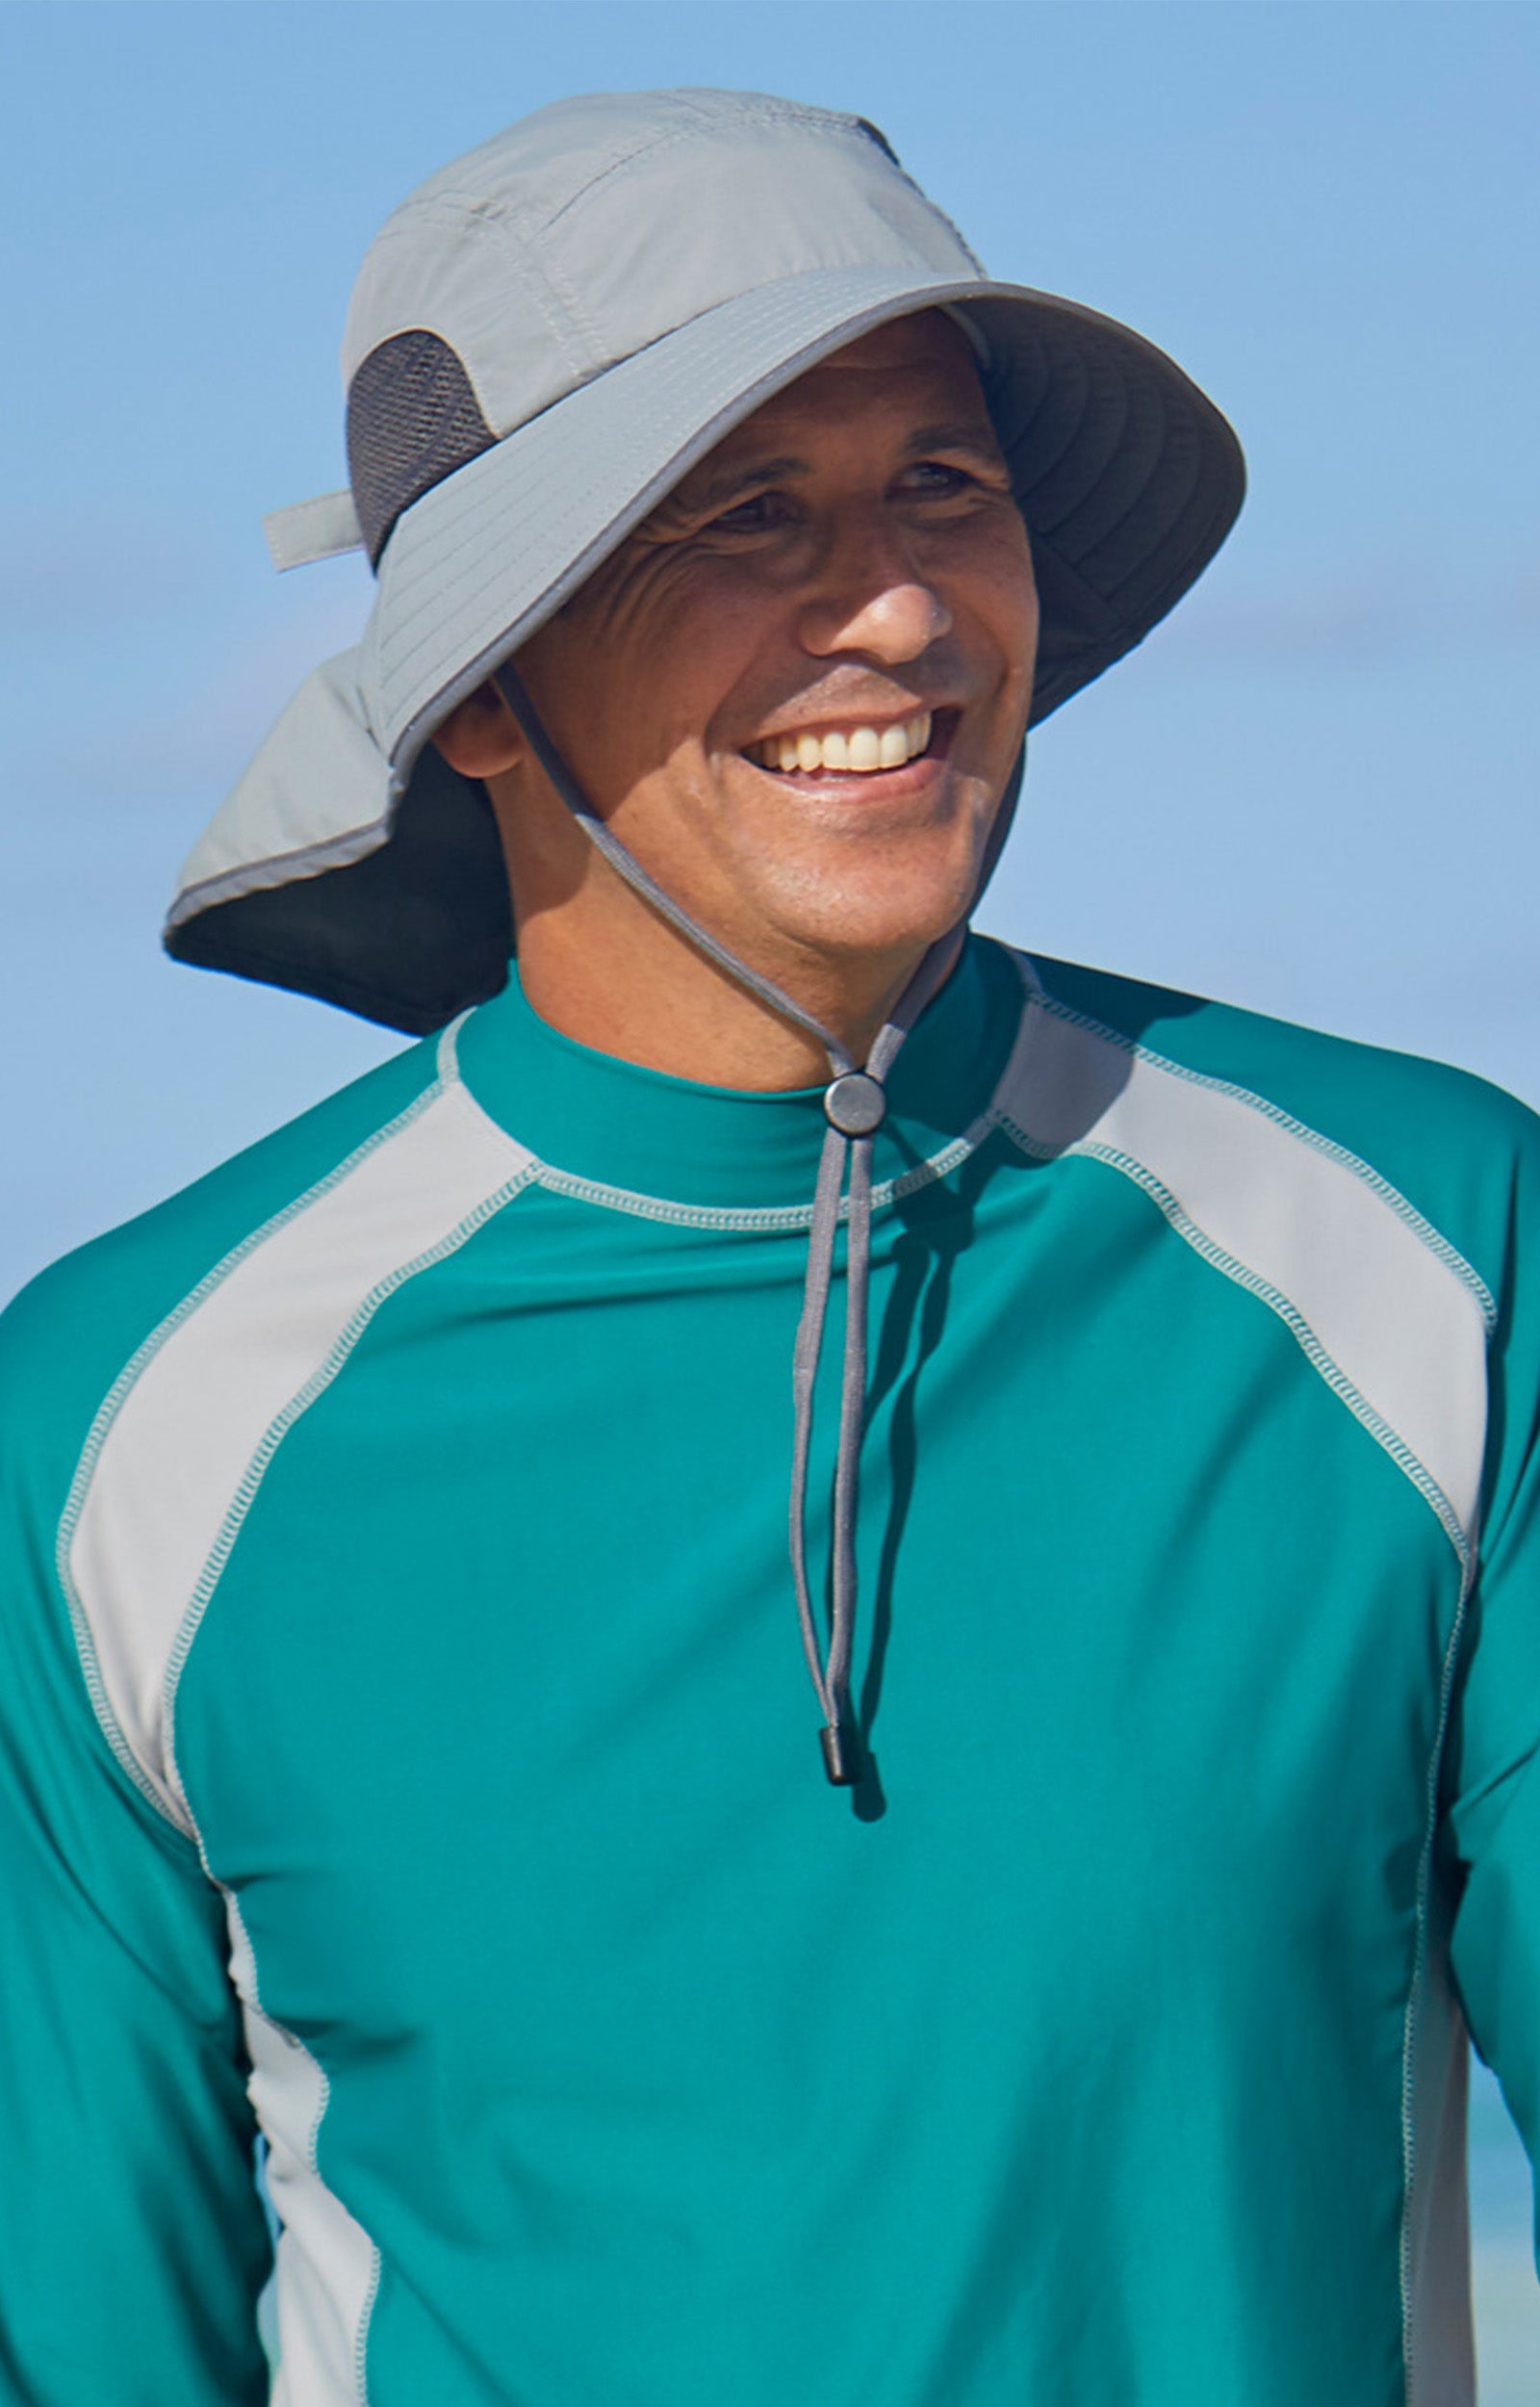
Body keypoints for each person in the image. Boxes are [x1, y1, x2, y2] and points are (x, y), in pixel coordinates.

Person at [0, 86, 1534, 2407]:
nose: (898, 606)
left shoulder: (1428, 1253)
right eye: (744, 512)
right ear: (482, 682)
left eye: (943, 483)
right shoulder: (119, 1429)